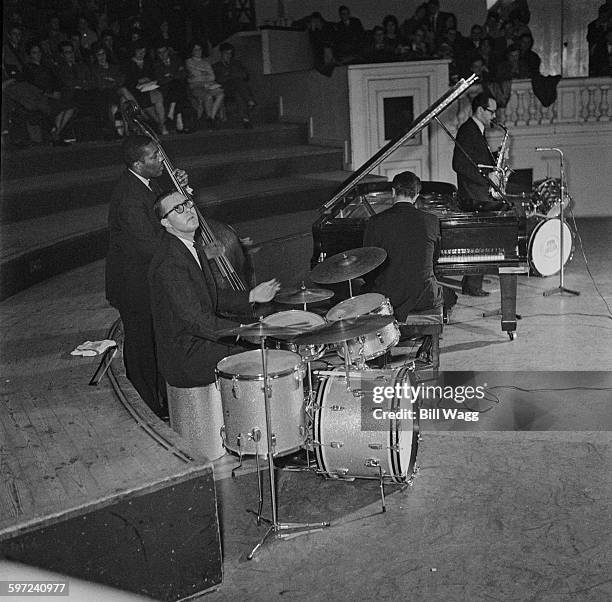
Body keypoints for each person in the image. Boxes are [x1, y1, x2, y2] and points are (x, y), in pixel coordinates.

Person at [149, 191, 280, 389]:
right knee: (260, 359)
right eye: (178, 209)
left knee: (266, 342)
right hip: (187, 355)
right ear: (166, 223)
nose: (188, 210)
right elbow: (196, 320)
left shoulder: (191, 247)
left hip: (199, 341)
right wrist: (242, 332)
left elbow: (209, 296)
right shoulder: (170, 263)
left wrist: (252, 295)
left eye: (188, 203)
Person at [105, 136, 190, 416]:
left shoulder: (148, 183)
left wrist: (179, 188)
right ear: (138, 164)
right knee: (142, 346)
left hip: (146, 277)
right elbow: (151, 245)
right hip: (134, 284)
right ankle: (147, 408)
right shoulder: (129, 198)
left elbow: (165, 208)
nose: (162, 160)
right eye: (155, 157)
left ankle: (159, 401)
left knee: (152, 341)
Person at [363, 171, 456, 357]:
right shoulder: (431, 221)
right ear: (416, 195)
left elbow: (368, 267)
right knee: (450, 296)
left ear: (392, 192)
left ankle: (382, 345)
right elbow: (433, 259)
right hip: (424, 296)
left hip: (388, 299)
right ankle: (429, 341)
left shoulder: (374, 223)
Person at [452, 92, 504, 296]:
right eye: (491, 111)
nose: (494, 116)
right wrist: (487, 178)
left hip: (477, 192)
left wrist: (496, 157)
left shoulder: (475, 129)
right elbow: (458, 164)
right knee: (481, 240)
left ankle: (471, 284)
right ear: (480, 110)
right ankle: (473, 285)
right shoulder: (469, 130)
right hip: (474, 194)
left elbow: (475, 159)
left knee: (479, 241)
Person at [212, 42, 256, 129]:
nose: (228, 55)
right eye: (226, 53)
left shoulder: (236, 63)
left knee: (238, 93)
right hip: (225, 88)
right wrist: (233, 75)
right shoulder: (216, 66)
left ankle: (245, 120)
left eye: (230, 53)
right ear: (221, 53)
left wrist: (230, 74)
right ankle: (250, 100)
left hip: (236, 88)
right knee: (237, 81)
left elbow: (245, 75)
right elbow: (219, 79)